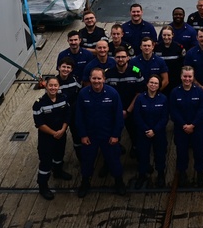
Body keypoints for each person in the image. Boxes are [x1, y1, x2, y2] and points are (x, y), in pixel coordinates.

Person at [73, 68, 125, 197]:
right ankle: (85, 182)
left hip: (108, 135)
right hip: (90, 136)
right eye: (94, 78)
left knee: (114, 160)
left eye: (99, 78)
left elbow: (118, 116)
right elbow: (79, 116)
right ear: (90, 79)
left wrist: (115, 135)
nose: (96, 81)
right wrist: (83, 135)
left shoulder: (113, 94)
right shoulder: (83, 94)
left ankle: (119, 182)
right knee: (87, 161)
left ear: (104, 79)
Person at [32, 77, 71, 200]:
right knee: (46, 162)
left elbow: (67, 116)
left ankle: (58, 172)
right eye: (51, 85)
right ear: (46, 86)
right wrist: (54, 133)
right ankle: (43, 185)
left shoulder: (64, 99)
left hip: (61, 134)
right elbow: (40, 124)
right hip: (47, 138)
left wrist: (63, 129)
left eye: (55, 85)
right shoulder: (39, 104)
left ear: (58, 86)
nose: (53, 88)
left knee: (59, 156)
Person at [169, 66, 203, 186]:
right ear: (181, 76)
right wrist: (184, 125)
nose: (187, 79)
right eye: (185, 76)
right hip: (181, 128)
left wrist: (193, 125)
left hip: (198, 128)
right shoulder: (175, 92)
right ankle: (182, 172)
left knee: (199, 151)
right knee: (181, 151)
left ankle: (200, 172)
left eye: (190, 76)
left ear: (193, 77)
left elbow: (202, 110)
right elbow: (173, 111)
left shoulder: (199, 92)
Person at [105, 48, 146, 157]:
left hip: (132, 108)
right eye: (118, 57)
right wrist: (118, 111)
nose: (120, 59)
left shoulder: (136, 71)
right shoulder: (108, 73)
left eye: (123, 57)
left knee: (135, 134)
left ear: (128, 58)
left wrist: (128, 111)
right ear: (114, 58)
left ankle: (136, 151)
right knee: (112, 135)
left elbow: (140, 93)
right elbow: (107, 94)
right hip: (114, 109)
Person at [132, 75, 169, 189]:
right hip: (143, 132)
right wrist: (146, 129)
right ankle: (142, 175)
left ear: (159, 86)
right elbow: (137, 116)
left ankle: (160, 174)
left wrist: (155, 130)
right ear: (147, 84)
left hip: (159, 133)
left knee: (160, 154)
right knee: (143, 155)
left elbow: (165, 117)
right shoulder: (140, 98)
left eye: (156, 83)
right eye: (151, 82)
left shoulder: (163, 99)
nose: (153, 85)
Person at [55, 57, 82, 165]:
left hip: (74, 113)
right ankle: (57, 166)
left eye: (68, 67)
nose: (65, 69)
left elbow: (80, 94)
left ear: (71, 69)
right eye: (63, 67)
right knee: (59, 140)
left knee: (77, 137)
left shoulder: (75, 80)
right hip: (59, 115)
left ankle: (82, 160)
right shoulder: (54, 83)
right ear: (58, 68)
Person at [156, 25, 185, 94]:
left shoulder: (179, 48)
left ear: (173, 35)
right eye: (164, 35)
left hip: (176, 81)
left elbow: (183, 65)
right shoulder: (156, 48)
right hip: (161, 82)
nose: (166, 37)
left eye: (168, 35)